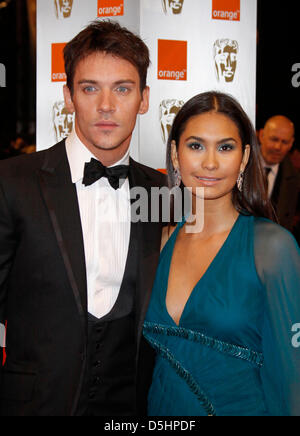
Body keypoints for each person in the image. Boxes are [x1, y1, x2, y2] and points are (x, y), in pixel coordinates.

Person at [0, 20, 166, 416]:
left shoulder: (164, 194)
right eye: (90, 88)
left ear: (144, 99)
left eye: (122, 89)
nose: (106, 105)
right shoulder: (12, 181)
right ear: (68, 96)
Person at [143, 91, 300, 416]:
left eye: (225, 147)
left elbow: (292, 376)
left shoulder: (272, 247)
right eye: (195, 145)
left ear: (243, 158)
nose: (210, 162)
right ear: (175, 154)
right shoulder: (157, 243)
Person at [259, 115, 300, 241]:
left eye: (284, 142)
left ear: (291, 143)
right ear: (261, 136)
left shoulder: (295, 179)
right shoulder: (238, 165)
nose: (278, 147)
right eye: (274, 139)